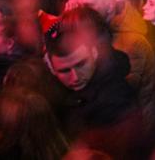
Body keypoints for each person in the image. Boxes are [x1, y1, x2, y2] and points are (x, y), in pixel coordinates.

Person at [45, 12, 146, 159]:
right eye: (64, 71)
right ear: (50, 67)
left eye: (81, 64)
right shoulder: (54, 94)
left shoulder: (116, 101)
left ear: (94, 52)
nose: (75, 77)